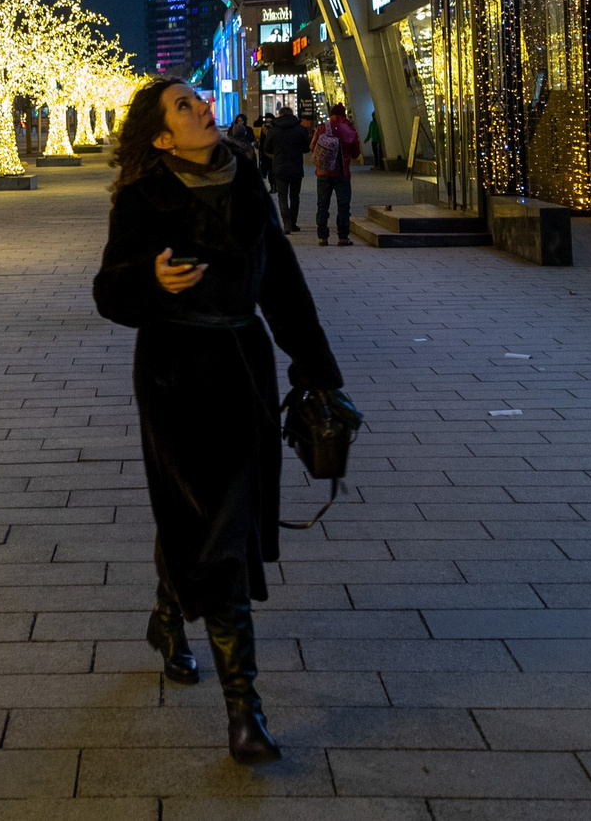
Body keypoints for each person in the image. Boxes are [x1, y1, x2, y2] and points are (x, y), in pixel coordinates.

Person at [93, 78, 347, 764]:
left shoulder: (246, 184)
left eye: (200, 100)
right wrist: (151, 282)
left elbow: (284, 286)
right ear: (160, 136)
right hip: (174, 378)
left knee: (215, 524)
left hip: (243, 374)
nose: (202, 107)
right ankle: (246, 710)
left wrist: (321, 372)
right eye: (184, 106)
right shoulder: (145, 198)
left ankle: (169, 616)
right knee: (213, 528)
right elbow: (109, 291)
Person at [312, 101, 361, 245]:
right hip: (342, 173)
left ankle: (322, 237)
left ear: (332, 114)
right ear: (344, 114)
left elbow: (312, 147)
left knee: (322, 205)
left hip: (323, 173)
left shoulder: (322, 128)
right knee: (343, 205)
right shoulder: (350, 130)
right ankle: (343, 237)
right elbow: (356, 154)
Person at [258, 108, 311, 231]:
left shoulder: (273, 130)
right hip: (296, 167)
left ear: (279, 115)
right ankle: (293, 223)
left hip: (279, 167)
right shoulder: (301, 129)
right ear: (292, 114)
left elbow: (267, 148)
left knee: (282, 196)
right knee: (295, 196)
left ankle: (286, 223)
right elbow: (306, 149)